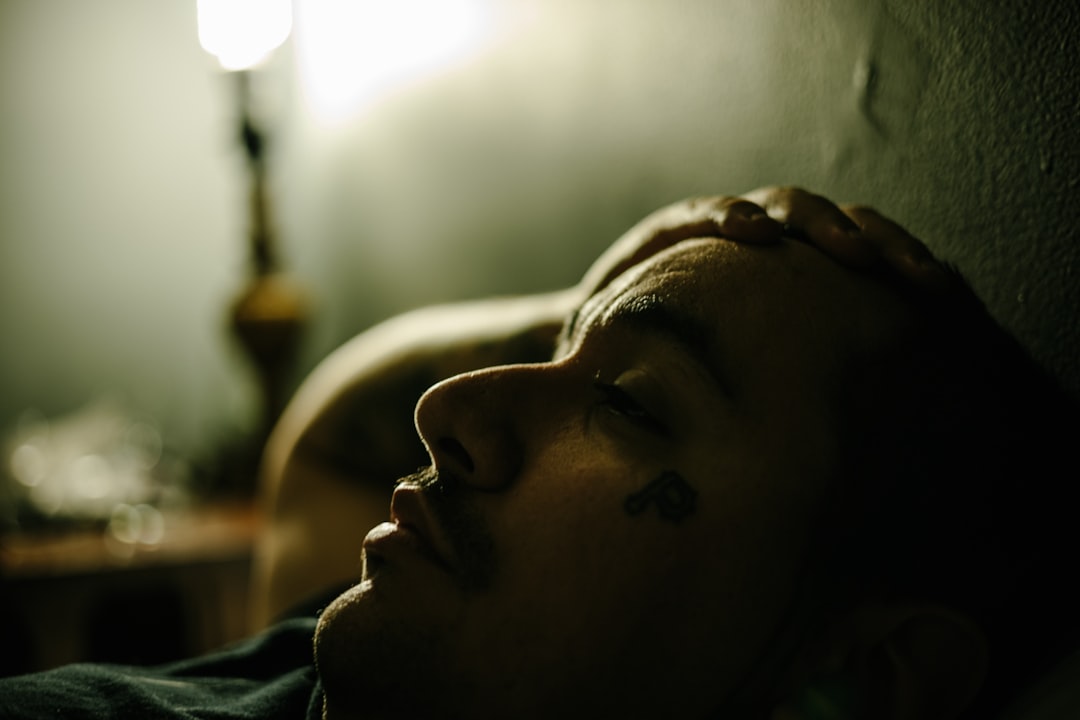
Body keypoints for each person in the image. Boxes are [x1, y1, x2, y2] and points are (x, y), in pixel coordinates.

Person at [1, 188, 1076, 719]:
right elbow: (331, 440)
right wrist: (593, 301)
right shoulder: (418, 624)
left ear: (861, 675)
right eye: (554, 356)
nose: (445, 409)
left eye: (627, 401)